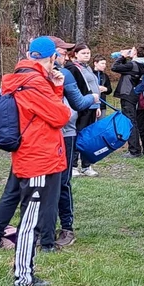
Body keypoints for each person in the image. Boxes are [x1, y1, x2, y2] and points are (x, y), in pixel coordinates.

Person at [2, 37, 72, 286]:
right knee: (30, 221)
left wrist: (56, 87)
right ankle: (23, 279)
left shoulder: (29, 79)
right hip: (37, 158)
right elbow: (60, 116)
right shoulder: (32, 83)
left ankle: (28, 271)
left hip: (38, 155)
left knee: (33, 218)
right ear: (51, 57)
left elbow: (47, 113)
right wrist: (55, 91)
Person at [53, 39, 95, 247]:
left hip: (67, 132)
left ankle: (67, 227)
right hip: (47, 135)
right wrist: (93, 98)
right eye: (63, 52)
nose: (65, 56)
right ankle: (44, 227)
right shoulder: (48, 73)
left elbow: (78, 101)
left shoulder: (67, 73)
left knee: (63, 181)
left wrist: (93, 98)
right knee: (47, 183)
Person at [65, 45, 101, 177]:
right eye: (83, 53)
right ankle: (74, 165)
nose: (86, 55)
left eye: (88, 53)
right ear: (76, 54)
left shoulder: (88, 68)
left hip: (92, 106)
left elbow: (93, 87)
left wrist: (97, 106)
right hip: (81, 107)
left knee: (89, 137)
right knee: (78, 135)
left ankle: (86, 165)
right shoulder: (73, 68)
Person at [111, 45, 144, 158]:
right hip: (132, 95)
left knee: (130, 122)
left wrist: (122, 56)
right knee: (132, 122)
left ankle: (134, 151)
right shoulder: (141, 65)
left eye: (131, 50)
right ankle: (135, 149)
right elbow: (124, 69)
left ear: (135, 52)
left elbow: (114, 67)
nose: (129, 51)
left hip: (128, 96)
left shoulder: (133, 65)